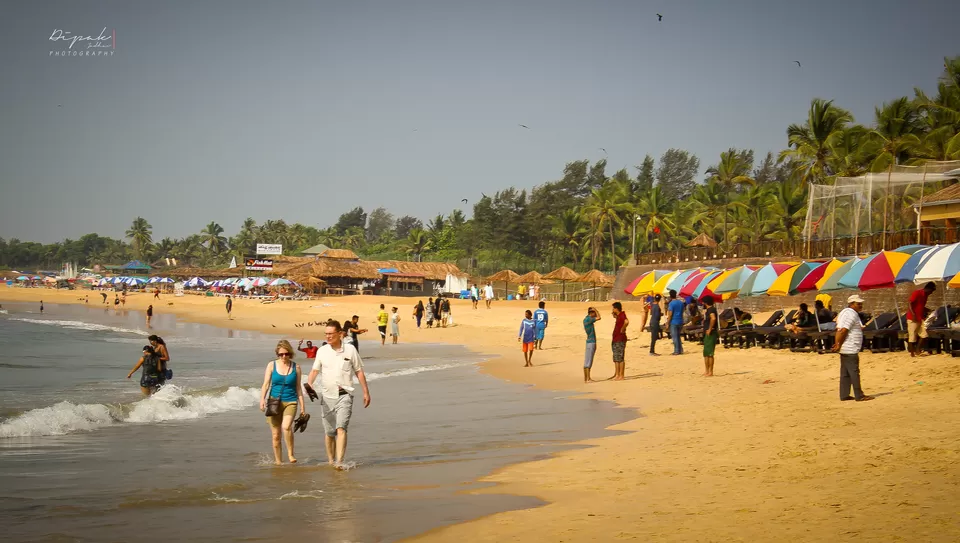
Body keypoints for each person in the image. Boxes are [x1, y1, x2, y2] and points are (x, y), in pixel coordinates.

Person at [306, 320, 372, 467]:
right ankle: (331, 461)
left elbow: (359, 372)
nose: (328, 337)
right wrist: (309, 384)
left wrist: (366, 392)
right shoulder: (322, 351)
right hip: (327, 396)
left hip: (345, 394)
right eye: (326, 334)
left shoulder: (350, 350)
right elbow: (315, 370)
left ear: (340, 334)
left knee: (341, 428)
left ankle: (339, 462)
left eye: (330, 334)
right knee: (329, 433)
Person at [259, 340, 305, 465]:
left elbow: (298, 388)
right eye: (281, 354)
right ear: (277, 354)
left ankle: (290, 454)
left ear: (290, 353)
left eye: (286, 354)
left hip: (291, 401)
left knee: (286, 427)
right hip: (274, 403)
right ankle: (278, 462)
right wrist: (262, 400)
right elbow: (266, 384)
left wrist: (302, 408)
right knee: (275, 435)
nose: (284, 356)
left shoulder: (296, 367)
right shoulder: (271, 365)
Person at [831, 295, 874, 402]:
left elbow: (839, 330)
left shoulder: (845, 313)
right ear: (851, 304)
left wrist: (838, 344)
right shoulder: (850, 314)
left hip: (846, 347)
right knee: (854, 372)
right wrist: (838, 344)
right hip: (850, 347)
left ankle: (844, 394)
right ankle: (859, 395)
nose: (860, 305)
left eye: (860, 303)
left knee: (845, 372)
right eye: (858, 304)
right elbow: (843, 330)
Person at [907, 282, 936, 357]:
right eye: (931, 291)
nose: (931, 293)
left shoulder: (925, 296)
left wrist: (929, 310)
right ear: (928, 289)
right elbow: (910, 303)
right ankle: (912, 353)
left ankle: (917, 349)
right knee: (912, 336)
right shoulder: (917, 293)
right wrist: (913, 314)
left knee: (924, 335)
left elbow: (921, 306)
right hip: (912, 318)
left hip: (920, 318)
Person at [701, 295, 719, 377]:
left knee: (710, 353)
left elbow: (713, 318)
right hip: (707, 332)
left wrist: (710, 329)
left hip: (711, 333)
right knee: (706, 353)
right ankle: (707, 371)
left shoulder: (711, 309)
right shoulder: (708, 310)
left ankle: (710, 371)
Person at [611, 302, 628, 380]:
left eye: (613, 308)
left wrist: (623, 328)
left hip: (620, 339)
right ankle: (617, 374)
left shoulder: (622, 314)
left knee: (620, 357)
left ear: (616, 308)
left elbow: (626, 321)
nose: (612, 309)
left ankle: (621, 375)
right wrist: (614, 315)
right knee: (616, 357)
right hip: (616, 338)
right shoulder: (619, 316)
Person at [582, 307, 601, 382]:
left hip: (589, 341)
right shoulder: (589, 319)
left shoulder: (586, 319)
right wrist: (596, 309)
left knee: (587, 360)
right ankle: (588, 378)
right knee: (589, 360)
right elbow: (599, 317)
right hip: (591, 341)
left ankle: (586, 378)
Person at [666, 290, 685, 355]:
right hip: (680, 320)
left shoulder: (671, 304)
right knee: (678, 336)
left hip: (674, 321)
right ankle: (680, 350)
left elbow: (670, 314)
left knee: (675, 337)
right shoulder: (681, 303)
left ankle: (677, 350)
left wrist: (667, 323)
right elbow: (682, 311)